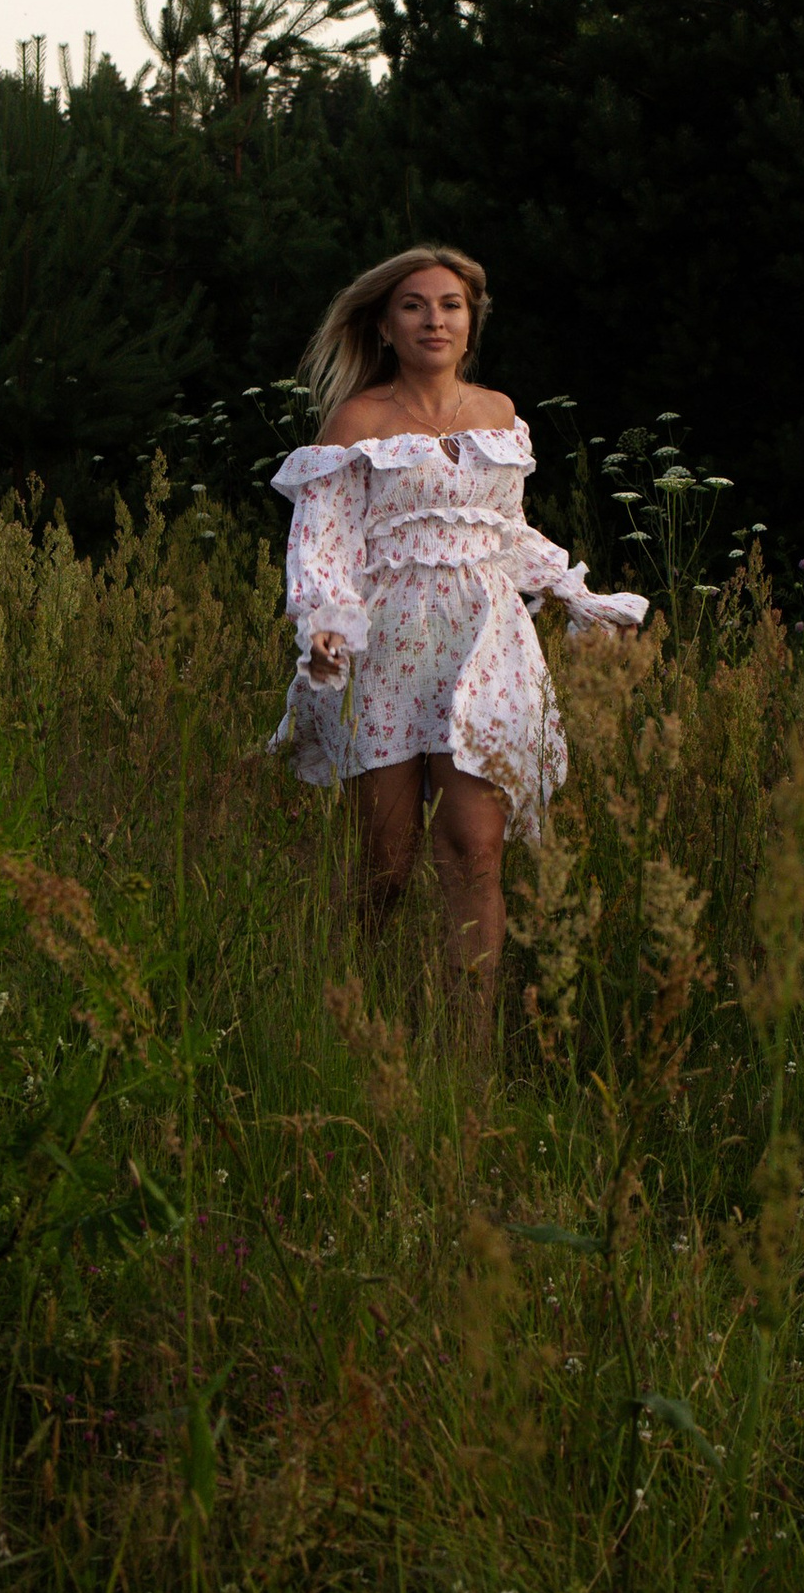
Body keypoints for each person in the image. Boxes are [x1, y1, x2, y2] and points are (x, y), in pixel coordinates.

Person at [270, 244, 646, 1028]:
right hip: (387, 645)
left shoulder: (499, 414)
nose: (433, 319)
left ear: (470, 323)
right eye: (413, 305)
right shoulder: (358, 420)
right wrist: (326, 625)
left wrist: (574, 594)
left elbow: (501, 532)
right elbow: (324, 537)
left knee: (475, 849)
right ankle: (348, 1018)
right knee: (387, 864)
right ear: (384, 324)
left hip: (485, 640)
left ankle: (465, 1053)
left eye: (449, 304)